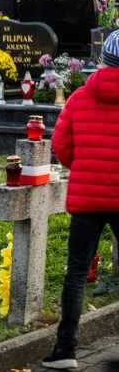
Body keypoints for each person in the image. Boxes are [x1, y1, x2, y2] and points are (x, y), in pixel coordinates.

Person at [41, 30, 119, 371]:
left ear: (103, 60)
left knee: (75, 273)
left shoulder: (78, 98)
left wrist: (84, 168)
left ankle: (65, 351)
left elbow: (61, 145)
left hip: (87, 197)